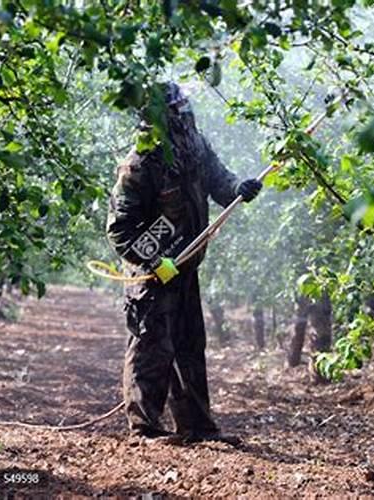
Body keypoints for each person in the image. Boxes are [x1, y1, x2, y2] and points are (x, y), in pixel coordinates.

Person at [106, 82, 262, 442]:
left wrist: (240, 188)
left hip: (186, 266)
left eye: (183, 106)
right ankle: (145, 429)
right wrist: (154, 261)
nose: (185, 113)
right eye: (177, 109)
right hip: (153, 274)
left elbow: (219, 180)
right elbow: (120, 229)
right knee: (152, 346)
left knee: (190, 344)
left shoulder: (194, 146)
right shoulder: (139, 164)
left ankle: (197, 426)